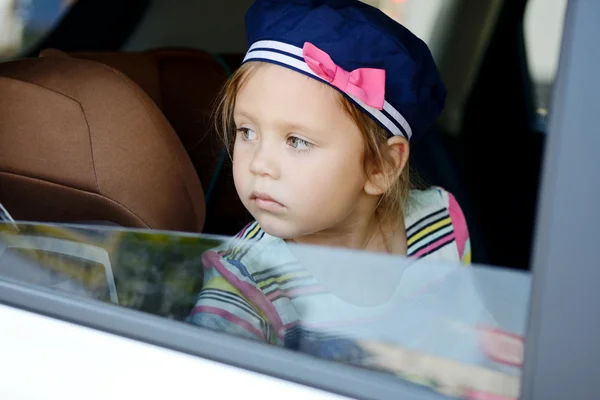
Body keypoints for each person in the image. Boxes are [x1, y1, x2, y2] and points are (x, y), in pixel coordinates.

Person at [188, 0, 472, 350]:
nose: (259, 163)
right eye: (246, 131)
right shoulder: (244, 282)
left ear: (381, 166)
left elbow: (473, 349)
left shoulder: (440, 225)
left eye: (297, 141)